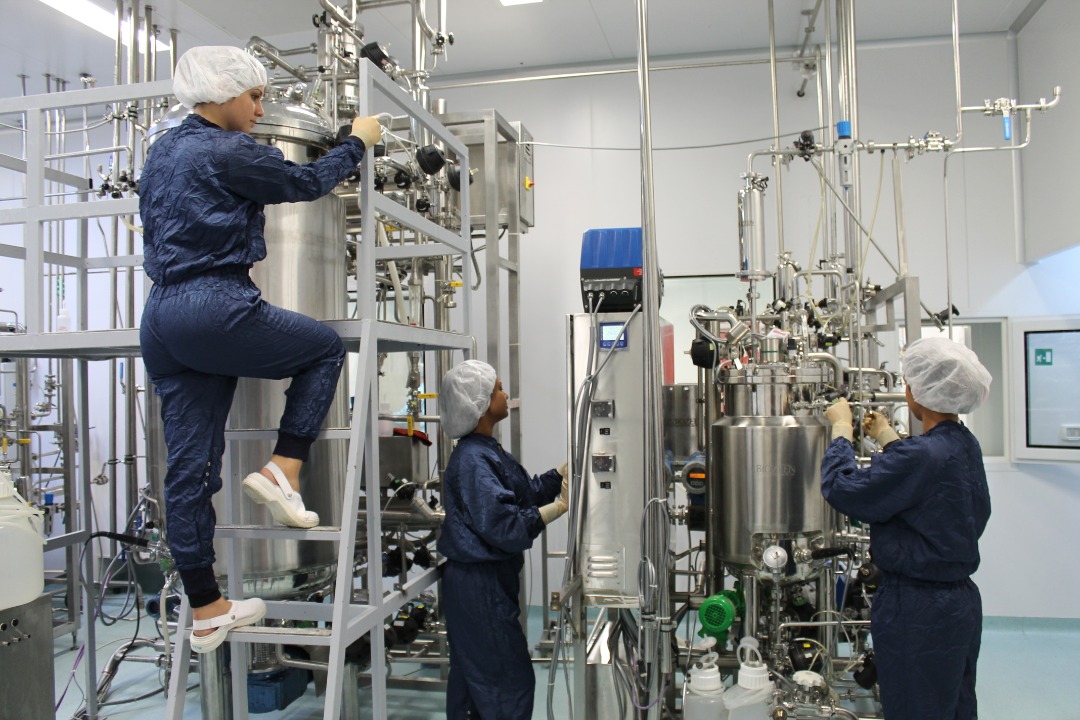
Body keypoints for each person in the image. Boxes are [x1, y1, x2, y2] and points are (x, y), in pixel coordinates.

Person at [138, 45, 383, 654]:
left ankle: (206, 607)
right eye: (254, 96)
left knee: (189, 471)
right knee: (324, 349)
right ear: (221, 95)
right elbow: (304, 181)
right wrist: (357, 141)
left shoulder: (162, 149)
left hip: (162, 317)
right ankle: (283, 469)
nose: (260, 107)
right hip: (213, 304)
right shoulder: (228, 150)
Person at [820, 337, 992, 720]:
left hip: (916, 609)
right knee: (954, 704)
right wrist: (886, 436)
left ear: (919, 393)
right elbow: (926, 483)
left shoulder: (921, 456)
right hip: (960, 603)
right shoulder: (964, 444)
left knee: (916, 707)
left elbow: (843, 488)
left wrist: (841, 431)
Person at [436, 359, 569, 719]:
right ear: (478, 404)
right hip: (479, 585)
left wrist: (560, 474)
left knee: (475, 683)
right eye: (497, 389)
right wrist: (558, 508)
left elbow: (523, 494)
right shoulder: (473, 460)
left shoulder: (486, 449)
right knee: (506, 684)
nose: (506, 395)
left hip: (486, 581)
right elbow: (504, 527)